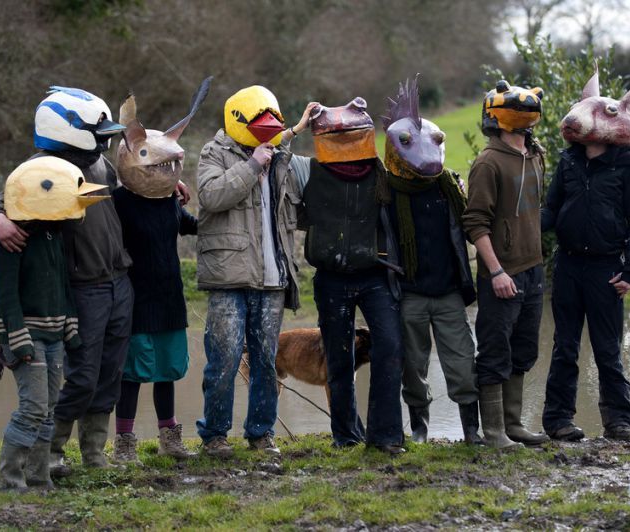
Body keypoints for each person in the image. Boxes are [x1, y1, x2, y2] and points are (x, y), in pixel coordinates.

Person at [0, 86, 135, 471]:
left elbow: (121, 193)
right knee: (81, 376)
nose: (103, 142)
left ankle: (95, 453)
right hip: (82, 288)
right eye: (97, 134)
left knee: (109, 373)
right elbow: (2, 202)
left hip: (118, 281)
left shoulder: (101, 164)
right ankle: (49, 452)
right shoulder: (41, 168)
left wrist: (164, 190)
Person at [541, 66, 630, 441]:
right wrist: (520, 226)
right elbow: (550, 209)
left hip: (606, 269)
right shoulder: (568, 161)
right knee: (564, 346)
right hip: (567, 266)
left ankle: (618, 422)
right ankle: (558, 421)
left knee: (607, 348)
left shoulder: (627, 165)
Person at [194, 86, 313, 458]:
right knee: (225, 359)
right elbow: (211, 195)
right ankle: (214, 436)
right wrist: (251, 166)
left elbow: (282, 141)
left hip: (272, 277)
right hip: (229, 278)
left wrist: (298, 128)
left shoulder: (278, 153)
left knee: (266, 361)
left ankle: (261, 434)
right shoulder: (213, 153)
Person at [109, 81, 210, 462]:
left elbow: (190, 224)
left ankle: (170, 438)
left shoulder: (168, 201)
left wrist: (219, 213)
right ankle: (124, 443)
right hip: (134, 300)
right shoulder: (119, 203)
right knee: (132, 374)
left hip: (169, 298)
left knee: (167, 370)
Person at [300, 97, 405, 454]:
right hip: (330, 276)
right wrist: (297, 128)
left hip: (376, 274)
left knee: (389, 346)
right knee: (338, 355)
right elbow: (274, 159)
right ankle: (346, 436)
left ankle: (385, 436)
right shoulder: (307, 171)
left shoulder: (381, 174)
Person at [0, 156, 106, 489]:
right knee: (32, 406)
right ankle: (10, 479)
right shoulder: (12, 238)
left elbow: (62, 285)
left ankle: (39, 478)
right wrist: (16, 338)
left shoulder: (55, 234)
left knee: (49, 407)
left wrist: (70, 327)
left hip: (55, 334)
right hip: (26, 335)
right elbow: (5, 296)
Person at [381, 77, 481, 444]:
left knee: (463, 363)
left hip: (449, 292)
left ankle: (471, 429)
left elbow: (474, 225)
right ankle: (419, 429)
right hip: (408, 294)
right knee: (413, 367)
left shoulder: (450, 187)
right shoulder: (385, 192)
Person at [462, 80, 549, 449]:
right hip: (501, 274)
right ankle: (494, 431)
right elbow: (475, 223)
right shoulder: (488, 163)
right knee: (495, 349)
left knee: (525, 349)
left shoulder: (535, 155)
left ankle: (513, 425)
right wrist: (495, 271)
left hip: (534, 269)